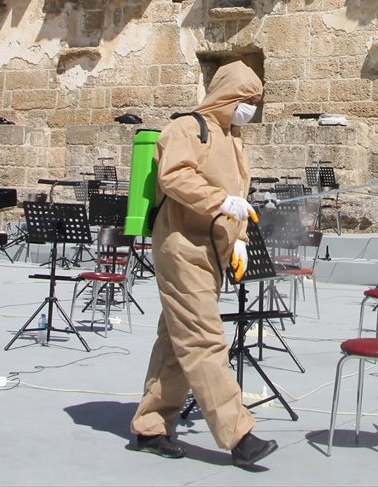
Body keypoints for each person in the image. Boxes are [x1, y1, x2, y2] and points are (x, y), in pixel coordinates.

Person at [130, 60, 278, 467]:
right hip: (182, 247)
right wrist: (219, 201)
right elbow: (174, 176)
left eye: (255, 102)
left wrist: (241, 239)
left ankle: (150, 425)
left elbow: (239, 196)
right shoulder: (185, 129)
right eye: (246, 100)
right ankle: (238, 434)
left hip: (212, 254)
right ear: (228, 95)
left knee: (177, 342)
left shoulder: (233, 140)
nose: (250, 108)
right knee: (204, 338)